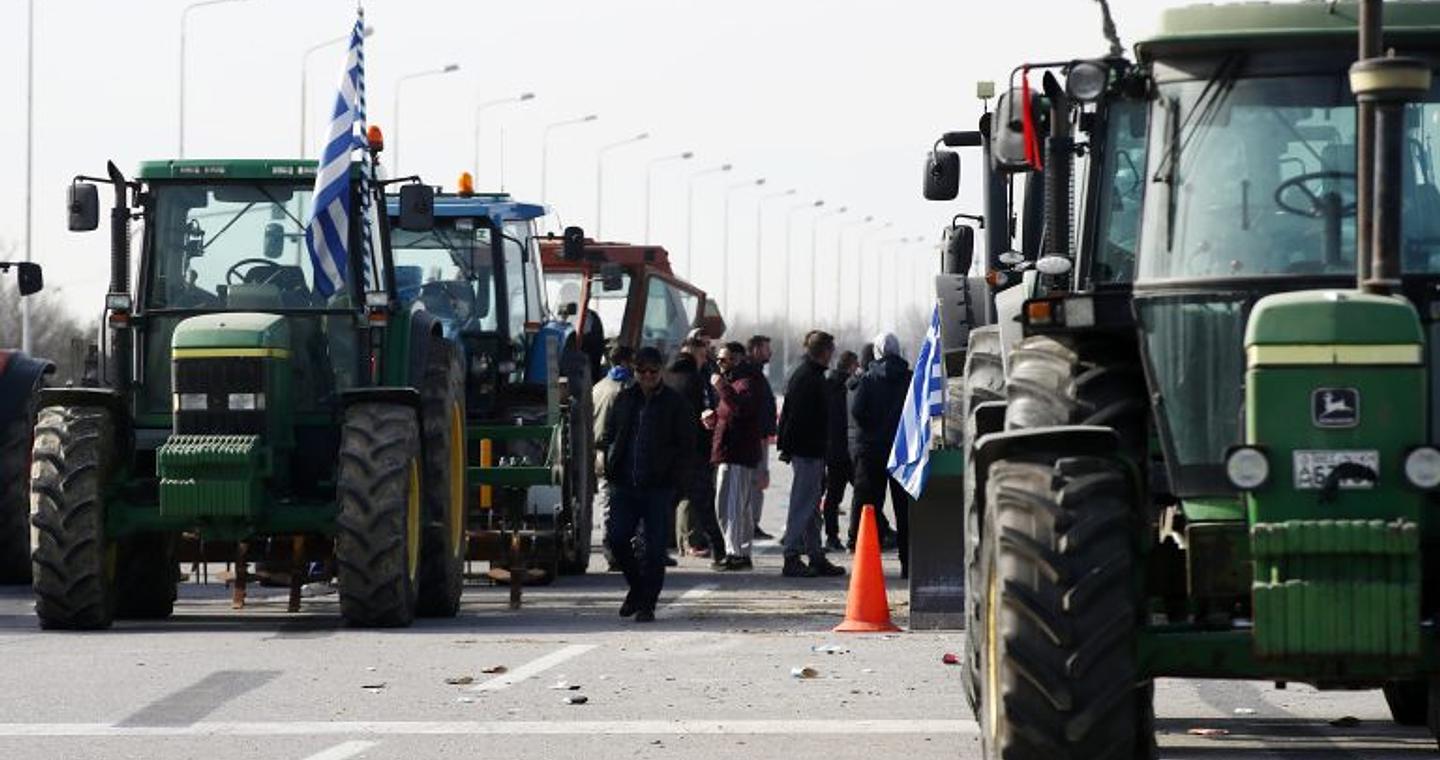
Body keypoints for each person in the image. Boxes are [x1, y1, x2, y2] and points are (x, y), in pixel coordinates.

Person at [600, 347, 695, 622]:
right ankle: (637, 588)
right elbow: (610, 433)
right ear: (635, 371)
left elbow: (687, 447)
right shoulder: (624, 398)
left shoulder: (675, 403)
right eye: (642, 371)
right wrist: (608, 463)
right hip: (624, 484)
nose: (648, 376)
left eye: (653, 371)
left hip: (658, 487)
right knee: (617, 539)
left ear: (661, 371)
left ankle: (647, 604)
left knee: (654, 550)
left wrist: (678, 483)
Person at [776, 331, 846, 578]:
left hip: (809, 450)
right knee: (803, 504)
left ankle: (815, 555)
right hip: (808, 450)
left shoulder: (805, 374)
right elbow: (798, 418)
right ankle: (792, 555)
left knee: (811, 506)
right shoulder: (809, 378)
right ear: (824, 352)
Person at [849, 333, 913, 578]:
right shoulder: (909, 378)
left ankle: (866, 564)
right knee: (904, 509)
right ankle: (908, 563)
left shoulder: (868, 379)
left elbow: (857, 411)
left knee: (869, 507)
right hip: (902, 451)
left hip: (872, 451)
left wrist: (873, 429)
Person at [666, 335, 725, 559]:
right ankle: (719, 551)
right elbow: (703, 413)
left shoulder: (665, 377)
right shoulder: (695, 380)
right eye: (702, 355)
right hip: (693, 452)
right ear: (695, 355)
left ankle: (653, 550)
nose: (704, 360)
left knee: (661, 505)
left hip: (667, 452)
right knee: (703, 504)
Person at [710, 342, 766, 570]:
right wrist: (714, 420)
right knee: (729, 505)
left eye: (724, 359)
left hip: (738, 453)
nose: (720, 364)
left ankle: (736, 553)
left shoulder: (746, 381)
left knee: (732, 507)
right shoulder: (734, 382)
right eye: (718, 360)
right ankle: (738, 551)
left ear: (737, 359)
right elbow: (730, 413)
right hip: (728, 451)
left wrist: (721, 387)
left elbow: (742, 409)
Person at [593, 344, 635, 571]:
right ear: (627, 361)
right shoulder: (628, 388)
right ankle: (623, 552)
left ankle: (611, 552)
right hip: (623, 452)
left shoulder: (598, 387)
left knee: (607, 503)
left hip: (599, 453)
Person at [822, 350, 860, 552]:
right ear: (852, 366)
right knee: (862, 493)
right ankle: (868, 532)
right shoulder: (851, 385)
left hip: (833, 448)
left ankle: (831, 535)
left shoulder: (827, 384)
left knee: (833, 496)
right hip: (848, 448)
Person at [747, 335, 779, 540]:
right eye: (767, 348)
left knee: (758, 483)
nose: (770, 352)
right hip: (754, 438)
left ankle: (753, 523)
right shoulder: (752, 375)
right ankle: (750, 523)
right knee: (754, 482)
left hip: (761, 436)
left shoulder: (758, 375)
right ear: (756, 349)